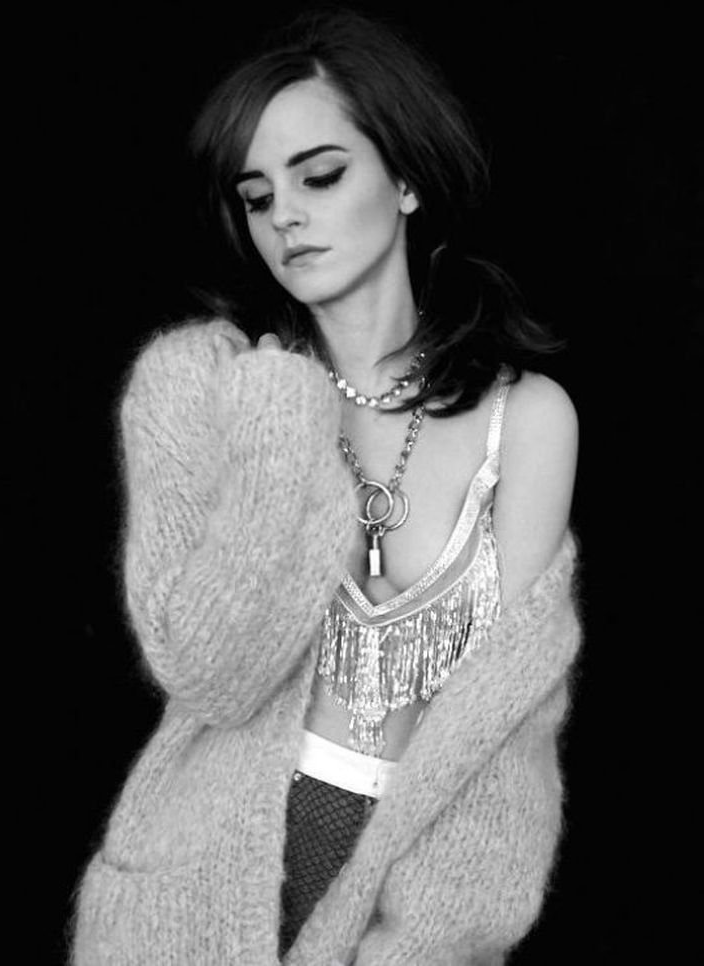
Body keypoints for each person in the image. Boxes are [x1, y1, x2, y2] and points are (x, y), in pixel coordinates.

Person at [71, 7, 581, 965]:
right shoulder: (200, 384)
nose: (285, 217)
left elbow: (508, 732)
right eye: (256, 196)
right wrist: (280, 421)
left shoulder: (529, 420)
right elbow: (211, 674)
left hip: (414, 886)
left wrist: (422, 944)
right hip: (188, 899)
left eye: (320, 175)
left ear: (407, 180)